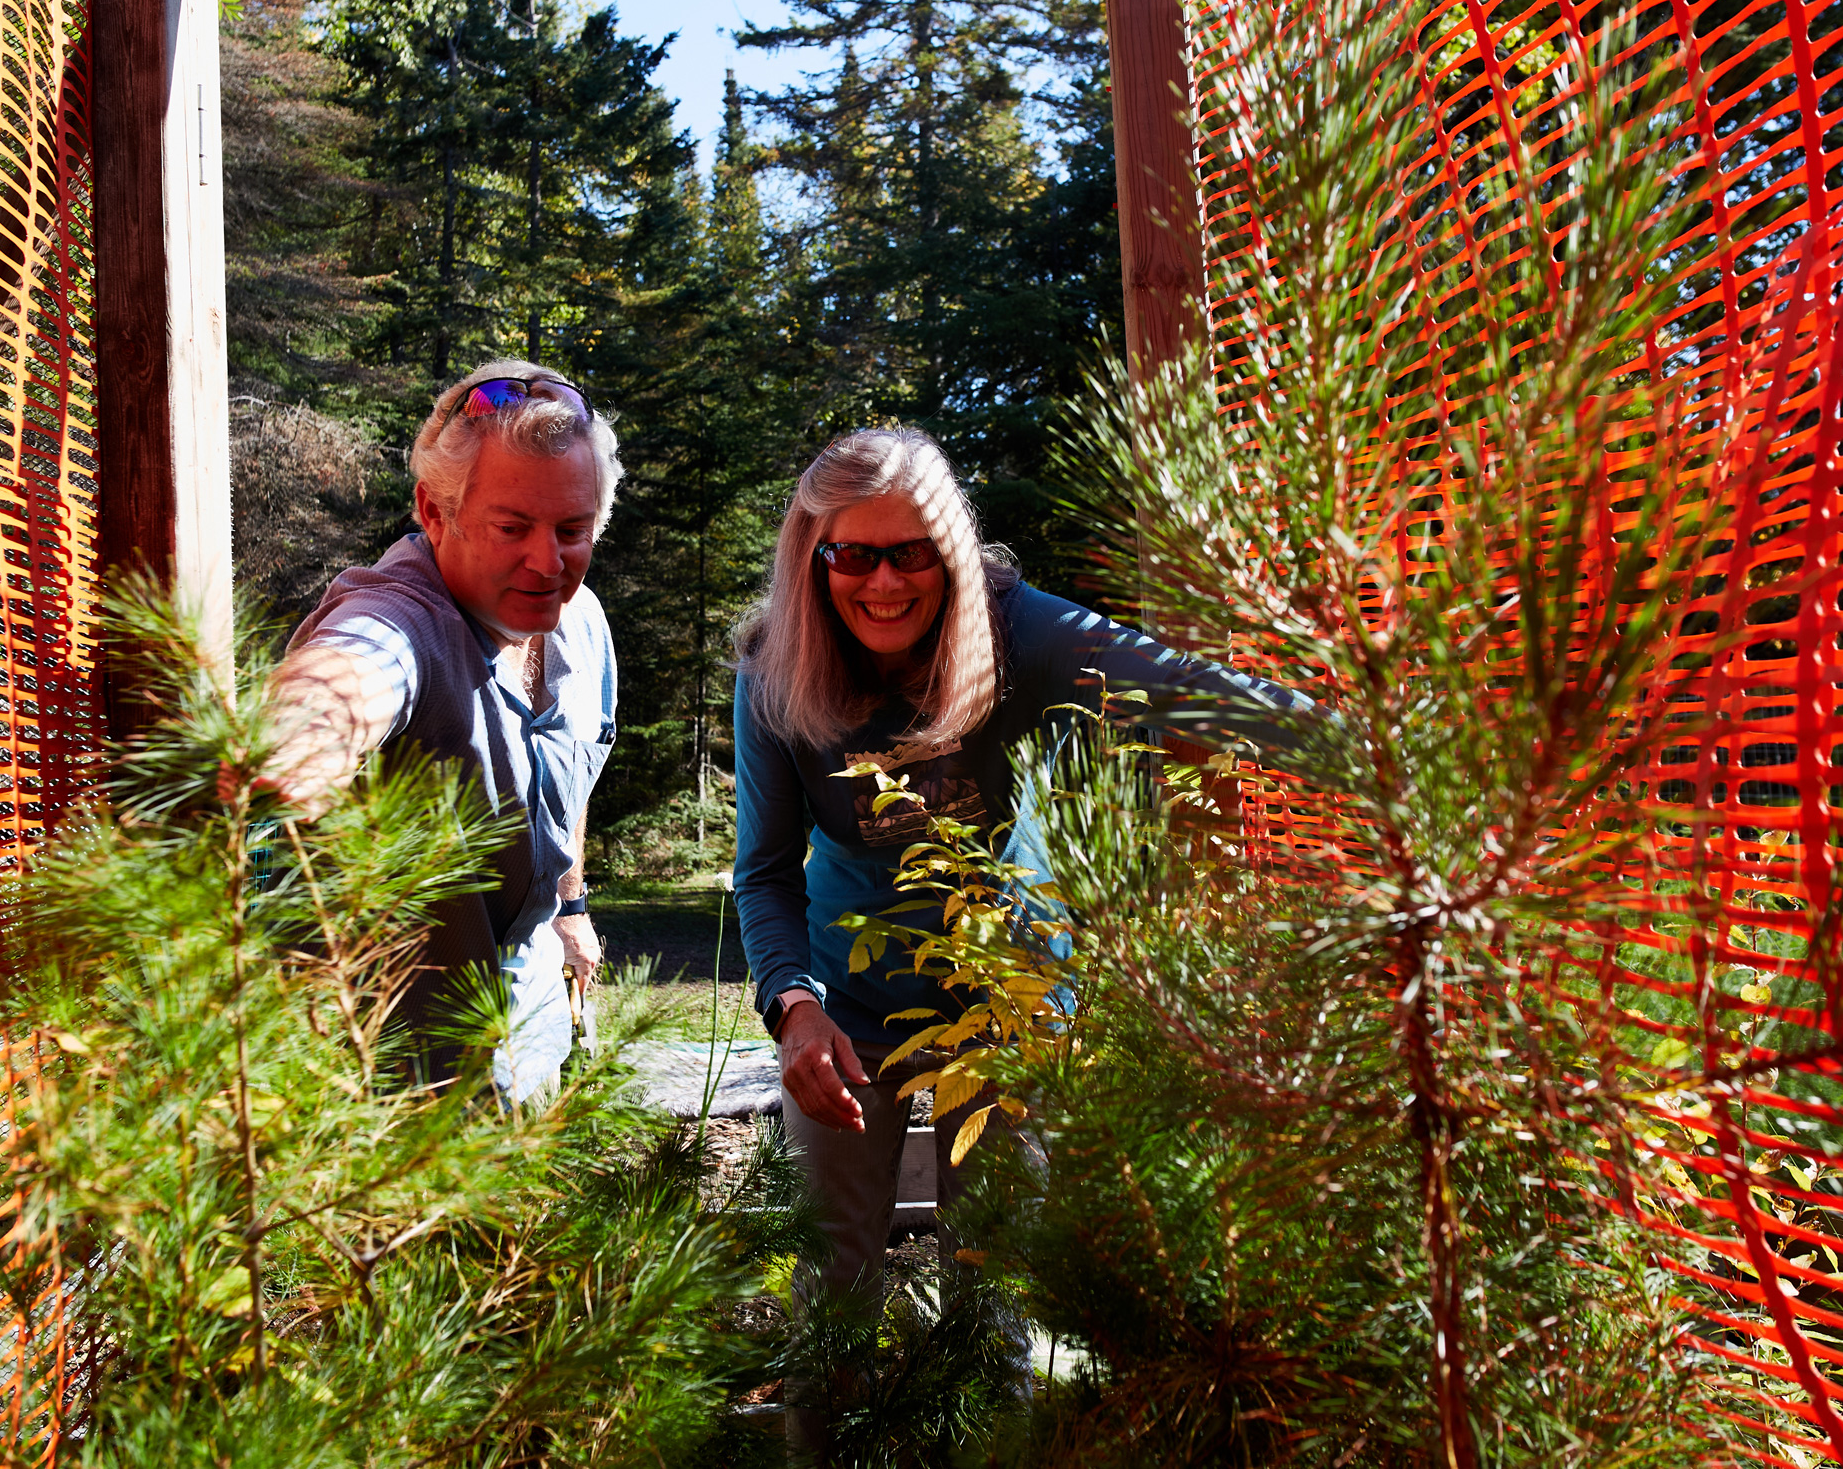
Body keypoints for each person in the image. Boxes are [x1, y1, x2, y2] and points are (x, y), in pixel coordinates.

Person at [732, 427, 1320, 1451]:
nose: (881, 581)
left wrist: (1374, 744)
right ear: (812, 558)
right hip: (843, 1008)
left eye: (911, 550)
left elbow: (1183, 686)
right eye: (852, 555)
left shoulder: (1019, 632)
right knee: (832, 1275)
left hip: (1005, 1000)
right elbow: (766, 869)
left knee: (993, 1275)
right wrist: (793, 1002)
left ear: (952, 551)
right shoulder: (773, 673)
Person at [262, 360, 620, 1101]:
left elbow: (570, 773)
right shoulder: (403, 619)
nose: (547, 561)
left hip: (533, 1045)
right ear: (434, 512)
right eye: (512, 526)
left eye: (572, 529)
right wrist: (298, 744)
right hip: (389, 1104)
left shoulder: (581, 623)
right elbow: (354, 667)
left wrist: (572, 903)